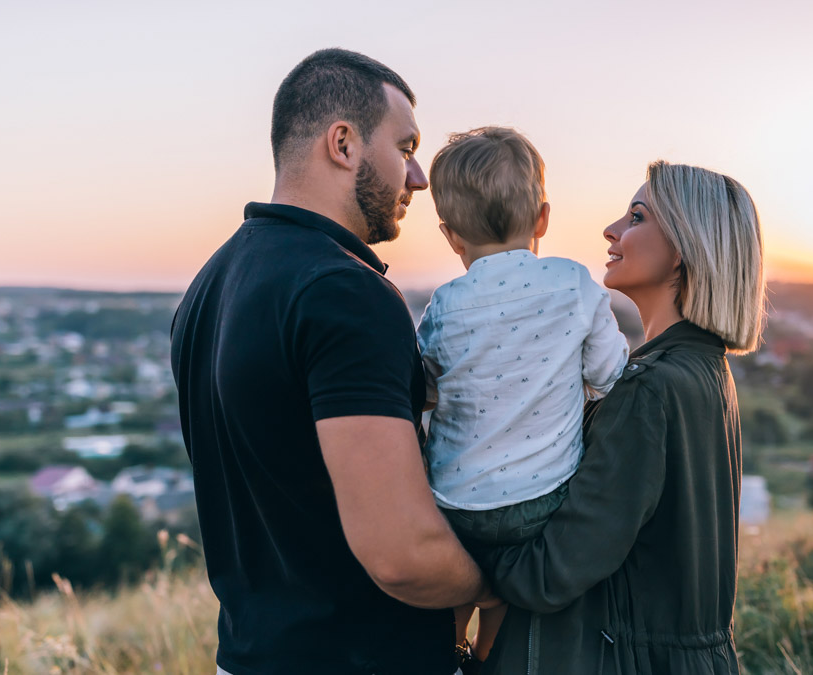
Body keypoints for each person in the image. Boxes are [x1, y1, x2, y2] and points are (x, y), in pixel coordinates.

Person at [169, 48, 494, 675]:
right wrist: (504, 586)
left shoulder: (209, 285)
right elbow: (401, 553)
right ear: (343, 143)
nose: (419, 179)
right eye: (405, 150)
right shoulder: (342, 290)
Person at [478, 161, 766, 674]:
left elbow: (553, 572)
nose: (611, 230)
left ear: (683, 248)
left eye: (636, 217)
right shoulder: (705, 368)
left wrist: (468, 556)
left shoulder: (649, 386)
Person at [416, 127, 631, 664]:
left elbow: (425, 388)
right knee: (505, 596)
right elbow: (611, 375)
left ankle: (446, 654)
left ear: (450, 236)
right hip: (543, 498)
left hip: (457, 499)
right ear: (543, 218)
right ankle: (489, 658)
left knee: (458, 586)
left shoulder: (443, 306)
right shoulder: (573, 283)